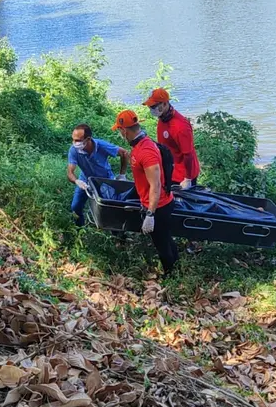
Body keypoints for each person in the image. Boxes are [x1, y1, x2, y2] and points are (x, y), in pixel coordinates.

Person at [112, 109, 178, 274]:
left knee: (162, 245)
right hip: (155, 203)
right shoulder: (140, 145)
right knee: (165, 239)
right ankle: (176, 269)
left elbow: (155, 185)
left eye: (119, 130)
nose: (120, 133)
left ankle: (171, 276)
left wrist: (150, 215)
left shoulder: (146, 152)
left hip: (159, 206)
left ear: (124, 130)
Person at [67, 123, 130, 227]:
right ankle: (79, 230)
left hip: (105, 179)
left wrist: (122, 175)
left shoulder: (101, 146)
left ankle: (117, 234)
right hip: (86, 179)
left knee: (112, 207)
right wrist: (77, 181)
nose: (74, 143)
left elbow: (124, 153)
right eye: (73, 139)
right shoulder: (74, 150)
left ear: (88, 139)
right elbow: (70, 172)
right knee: (75, 207)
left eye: (78, 140)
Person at [142, 88, 200, 190]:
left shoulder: (180, 126)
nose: (151, 109)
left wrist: (188, 179)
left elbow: (188, 154)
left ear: (164, 104)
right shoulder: (163, 119)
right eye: (150, 107)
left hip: (182, 175)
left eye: (154, 106)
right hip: (170, 170)